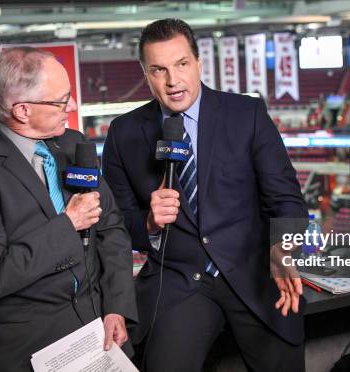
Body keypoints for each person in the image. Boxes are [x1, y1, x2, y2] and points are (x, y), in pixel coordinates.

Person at [102, 19, 308, 371]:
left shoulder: (247, 114)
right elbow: (116, 224)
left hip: (253, 273)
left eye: (181, 64)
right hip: (179, 282)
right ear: (145, 73)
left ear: (198, 62)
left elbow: (287, 198)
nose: (172, 81)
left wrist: (282, 248)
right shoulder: (124, 133)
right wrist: (149, 221)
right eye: (158, 70)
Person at [0, 47, 137, 372]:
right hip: (29, 348)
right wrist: (68, 223)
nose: (72, 106)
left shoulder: (74, 145)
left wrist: (117, 307)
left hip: (99, 331)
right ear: (22, 110)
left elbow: (112, 231)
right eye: (61, 100)